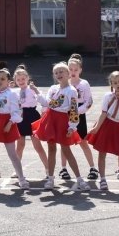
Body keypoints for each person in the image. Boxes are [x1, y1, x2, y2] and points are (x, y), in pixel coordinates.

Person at [33, 61, 90, 191]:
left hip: (62, 121)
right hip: (50, 119)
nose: (58, 74)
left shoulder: (72, 91)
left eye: (61, 71)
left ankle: (79, 179)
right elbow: (47, 103)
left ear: (68, 74)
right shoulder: (53, 88)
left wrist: (72, 126)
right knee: (51, 149)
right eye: (56, 72)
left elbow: (74, 109)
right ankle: (50, 178)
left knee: (66, 150)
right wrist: (36, 91)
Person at [60, 54, 99, 181]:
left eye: (75, 70)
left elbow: (88, 102)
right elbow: (59, 100)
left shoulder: (84, 83)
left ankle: (93, 168)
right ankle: (63, 169)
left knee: (83, 142)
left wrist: (76, 112)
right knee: (64, 143)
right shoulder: (64, 83)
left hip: (79, 116)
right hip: (66, 115)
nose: (73, 72)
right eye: (70, 69)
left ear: (80, 70)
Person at [13, 65, 48, 173]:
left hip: (32, 117)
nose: (21, 81)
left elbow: (44, 102)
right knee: (20, 145)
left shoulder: (32, 90)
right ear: (15, 81)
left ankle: (48, 169)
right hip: (20, 117)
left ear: (28, 78)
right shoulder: (14, 92)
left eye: (23, 79)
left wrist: (36, 90)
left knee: (37, 146)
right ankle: (17, 170)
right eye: (18, 80)